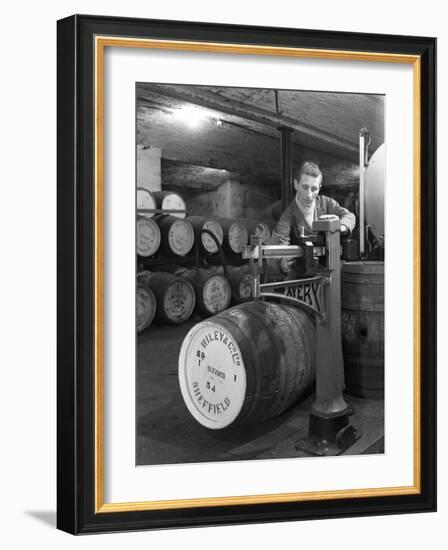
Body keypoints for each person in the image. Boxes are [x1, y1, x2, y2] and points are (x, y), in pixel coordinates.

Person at [271, 161, 356, 275]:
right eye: (305, 187)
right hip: (303, 278)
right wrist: (283, 263)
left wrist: (340, 227)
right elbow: (278, 248)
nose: (309, 195)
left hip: (331, 272)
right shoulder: (287, 217)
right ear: (296, 184)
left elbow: (349, 216)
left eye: (314, 189)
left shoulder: (327, 203)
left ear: (319, 188)